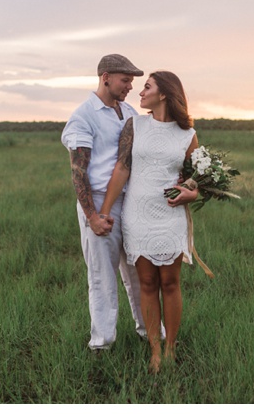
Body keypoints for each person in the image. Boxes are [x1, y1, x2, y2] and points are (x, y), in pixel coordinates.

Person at [98, 70, 199, 373]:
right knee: (146, 282)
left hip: (170, 216)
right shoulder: (135, 125)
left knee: (170, 282)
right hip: (138, 215)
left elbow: (197, 179)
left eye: (147, 87)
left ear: (164, 93)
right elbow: (121, 169)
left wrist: (190, 194)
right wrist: (103, 212)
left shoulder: (187, 134)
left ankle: (170, 347)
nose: (140, 93)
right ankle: (154, 348)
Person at [61, 53, 150, 351]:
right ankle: (102, 344)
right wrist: (92, 216)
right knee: (102, 276)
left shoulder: (128, 111)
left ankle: (150, 332)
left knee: (139, 270)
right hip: (100, 202)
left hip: (130, 201)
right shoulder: (83, 115)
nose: (129, 87)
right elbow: (78, 171)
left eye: (132, 82)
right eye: (125, 80)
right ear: (106, 77)